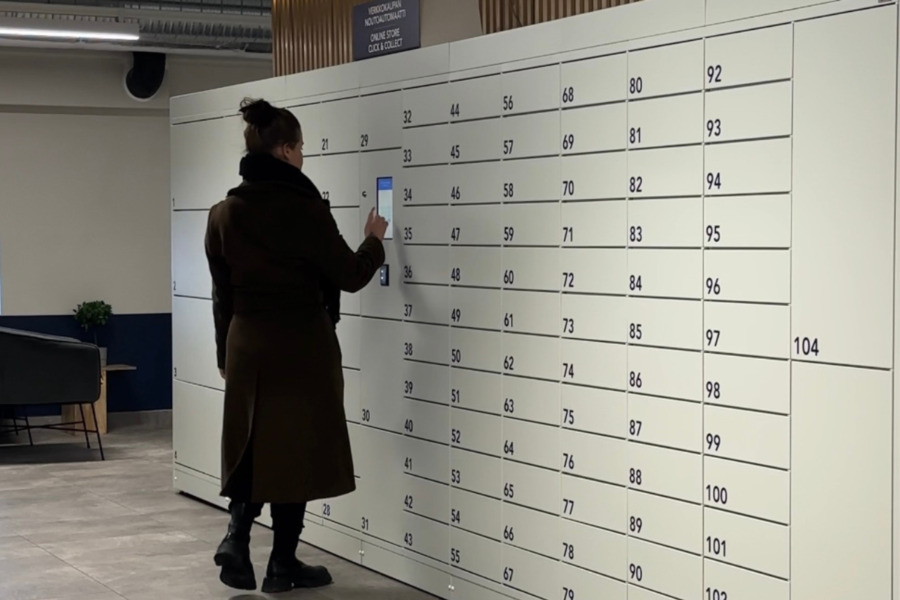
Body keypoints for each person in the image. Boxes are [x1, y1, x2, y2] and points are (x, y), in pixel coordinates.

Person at [204, 97, 388, 593]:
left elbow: (221, 293)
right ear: (285, 151)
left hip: (246, 340)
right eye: (301, 147)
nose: (304, 156)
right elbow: (349, 275)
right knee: (297, 449)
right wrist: (375, 239)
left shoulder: (223, 214)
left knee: (251, 445)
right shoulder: (305, 210)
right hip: (301, 343)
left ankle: (236, 537)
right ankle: (282, 562)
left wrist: (225, 352)